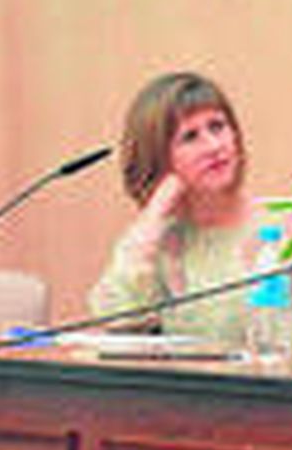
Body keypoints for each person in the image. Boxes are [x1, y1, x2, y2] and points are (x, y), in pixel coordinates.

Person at [89, 71, 259, 345]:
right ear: (158, 156)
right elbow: (116, 321)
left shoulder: (286, 224)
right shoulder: (154, 241)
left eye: (217, 127)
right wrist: (156, 210)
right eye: (190, 137)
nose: (214, 146)